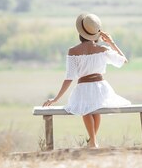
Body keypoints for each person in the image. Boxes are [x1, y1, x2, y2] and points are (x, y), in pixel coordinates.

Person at [42, 13, 130, 148]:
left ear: (80, 32)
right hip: (101, 88)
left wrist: (56, 98)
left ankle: (93, 142)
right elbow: (124, 60)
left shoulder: (73, 51)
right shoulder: (103, 49)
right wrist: (111, 43)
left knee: (86, 110)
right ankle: (92, 142)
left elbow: (69, 78)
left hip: (83, 87)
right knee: (95, 110)